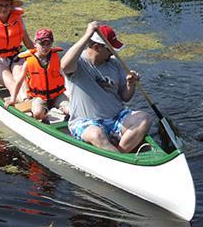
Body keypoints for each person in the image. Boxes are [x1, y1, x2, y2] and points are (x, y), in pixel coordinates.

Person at [61, 22, 150, 153]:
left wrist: (130, 85)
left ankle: (120, 153)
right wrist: (88, 33)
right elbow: (64, 65)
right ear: (97, 47)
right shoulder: (78, 63)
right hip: (87, 122)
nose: (113, 54)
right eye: (110, 49)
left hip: (115, 117)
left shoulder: (114, 63)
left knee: (144, 119)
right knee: (96, 135)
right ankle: (120, 159)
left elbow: (125, 97)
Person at [5, 28, 69, 122]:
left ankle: (67, 117)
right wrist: (13, 99)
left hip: (57, 94)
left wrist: (69, 93)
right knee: (38, 113)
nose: (45, 47)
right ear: (35, 44)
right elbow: (19, 81)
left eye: (48, 44)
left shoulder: (55, 57)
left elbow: (63, 75)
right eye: (42, 44)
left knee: (71, 110)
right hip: (39, 96)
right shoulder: (29, 62)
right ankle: (45, 116)